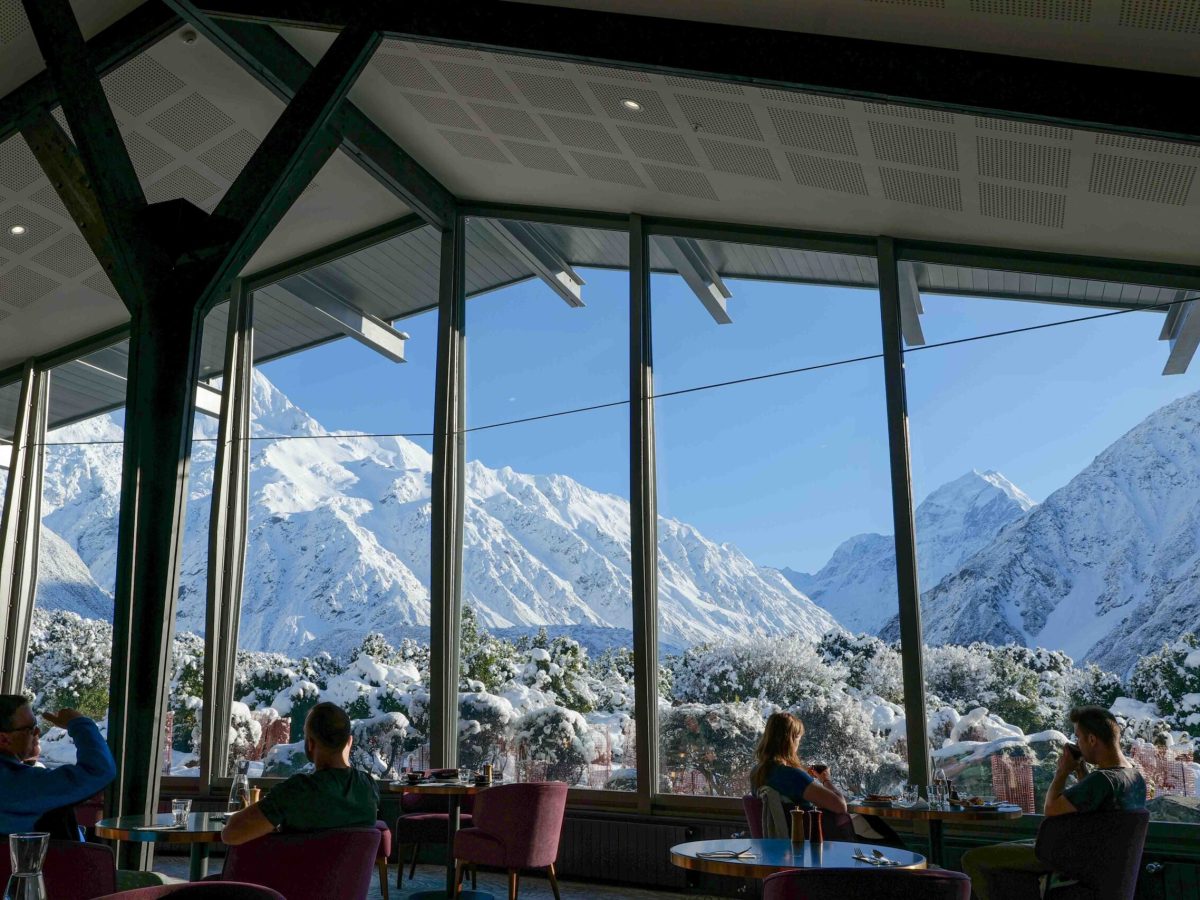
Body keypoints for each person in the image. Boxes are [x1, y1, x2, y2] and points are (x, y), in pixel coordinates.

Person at [960, 705, 1147, 900]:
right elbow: (1094, 808)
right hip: (1097, 866)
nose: (1077, 744)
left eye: (1079, 738)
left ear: (1092, 740)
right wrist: (1081, 770)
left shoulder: (1101, 780)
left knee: (974, 859)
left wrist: (1063, 771)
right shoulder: (1132, 777)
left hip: (1070, 859)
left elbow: (1050, 808)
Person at [222, 702, 379, 845]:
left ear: (310, 743)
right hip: (350, 877)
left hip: (291, 877)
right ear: (349, 742)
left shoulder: (296, 790)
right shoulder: (368, 787)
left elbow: (230, 834)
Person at [0, 695, 116, 837]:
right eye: (30, 729)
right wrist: (79, 723)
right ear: (4, 739)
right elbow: (98, 770)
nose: (38, 732)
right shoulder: (15, 785)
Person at [750, 712, 848, 815]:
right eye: (798, 739)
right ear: (791, 740)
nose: (798, 744)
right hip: (801, 830)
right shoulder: (793, 776)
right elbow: (840, 806)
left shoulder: (756, 773)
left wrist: (803, 774)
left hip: (776, 831)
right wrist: (825, 779)